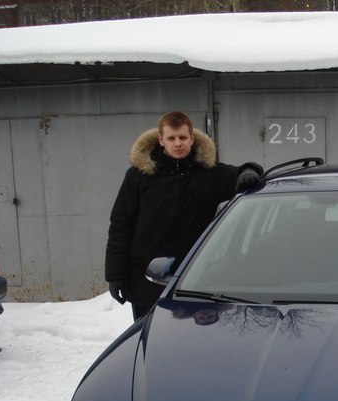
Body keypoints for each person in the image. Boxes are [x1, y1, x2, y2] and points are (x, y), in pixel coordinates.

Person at [105, 111, 262, 320]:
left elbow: (242, 171)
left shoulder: (209, 173)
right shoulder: (139, 175)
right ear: (161, 140)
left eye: (182, 137)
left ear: (192, 138)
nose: (178, 143)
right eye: (171, 138)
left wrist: (249, 172)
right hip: (146, 279)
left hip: (193, 280)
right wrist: (115, 275)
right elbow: (120, 225)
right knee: (150, 335)